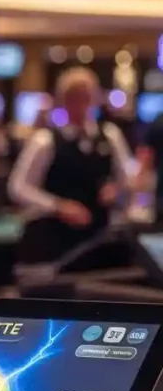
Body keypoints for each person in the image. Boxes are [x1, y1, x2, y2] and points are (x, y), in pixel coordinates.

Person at [8, 67, 134, 266]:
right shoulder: (46, 140)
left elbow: (128, 179)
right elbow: (18, 187)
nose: (81, 103)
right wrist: (58, 206)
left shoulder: (110, 135)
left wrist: (117, 190)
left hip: (99, 239)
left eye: (86, 96)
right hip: (54, 240)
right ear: (63, 100)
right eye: (74, 97)